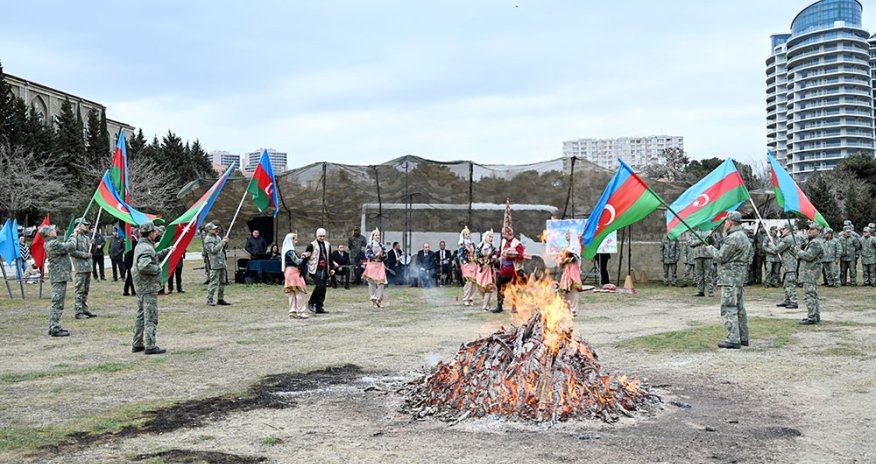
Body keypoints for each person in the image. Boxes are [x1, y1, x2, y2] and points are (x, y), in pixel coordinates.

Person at [703, 211, 751, 349]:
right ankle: (743, 337)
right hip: (739, 277)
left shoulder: (733, 238)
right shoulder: (743, 236)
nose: (724, 224)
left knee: (728, 307)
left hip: (729, 278)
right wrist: (716, 242)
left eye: (725, 221)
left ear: (730, 222)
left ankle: (733, 338)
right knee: (739, 308)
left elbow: (721, 257)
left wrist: (709, 248)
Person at [131, 221, 174, 354]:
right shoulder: (146, 248)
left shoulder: (143, 245)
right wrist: (157, 269)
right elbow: (144, 266)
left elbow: (152, 257)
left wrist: (166, 251)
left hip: (141, 286)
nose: (156, 233)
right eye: (154, 231)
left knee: (141, 315)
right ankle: (150, 345)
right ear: (150, 234)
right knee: (150, 316)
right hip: (147, 286)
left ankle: (137, 343)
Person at [41, 225, 77, 337]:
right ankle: (55, 328)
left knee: (57, 302)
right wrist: (73, 236)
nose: (54, 230)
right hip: (58, 276)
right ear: (48, 233)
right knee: (57, 302)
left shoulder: (52, 243)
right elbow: (71, 246)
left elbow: (64, 246)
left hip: (58, 276)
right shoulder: (52, 244)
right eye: (52, 230)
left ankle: (53, 326)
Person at [492, 225, 526, 314]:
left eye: (504, 234)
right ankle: (499, 306)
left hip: (513, 271)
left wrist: (512, 255)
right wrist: (496, 256)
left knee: (514, 289)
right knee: (499, 288)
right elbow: (500, 251)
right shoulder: (503, 241)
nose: (503, 235)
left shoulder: (517, 244)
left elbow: (521, 257)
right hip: (503, 270)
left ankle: (514, 307)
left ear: (509, 234)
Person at [796, 222, 825, 325]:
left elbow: (809, 256)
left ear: (818, 231)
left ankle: (812, 316)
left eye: (812, 229)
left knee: (809, 295)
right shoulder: (814, 241)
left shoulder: (815, 242)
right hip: (811, 271)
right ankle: (815, 315)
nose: (809, 230)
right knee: (813, 295)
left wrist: (798, 251)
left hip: (810, 272)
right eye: (808, 229)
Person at [766, 224, 798, 309]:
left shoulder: (788, 238)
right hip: (788, 263)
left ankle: (793, 301)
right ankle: (787, 300)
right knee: (786, 283)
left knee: (790, 283)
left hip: (790, 264)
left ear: (787, 230)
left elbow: (777, 249)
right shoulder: (793, 237)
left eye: (783, 229)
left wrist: (771, 244)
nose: (781, 231)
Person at [70, 219, 97, 319]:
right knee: (79, 290)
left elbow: (92, 252)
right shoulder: (74, 237)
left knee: (85, 290)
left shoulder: (86, 237)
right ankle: (78, 311)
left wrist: (93, 245)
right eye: (84, 225)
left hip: (87, 267)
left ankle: (84, 309)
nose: (87, 226)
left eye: (87, 225)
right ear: (78, 226)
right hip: (80, 267)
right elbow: (72, 251)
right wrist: (85, 255)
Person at [305, 227, 334, 313]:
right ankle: (311, 302)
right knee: (319, 286)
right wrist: (301, 268)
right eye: (320, 236)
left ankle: (319, 306)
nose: (322, 238)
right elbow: (306, 256)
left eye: (323, 236)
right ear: (316, 236)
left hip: (324, 268)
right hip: (314, 268)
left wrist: (332, 268)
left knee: (324, 288)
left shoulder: (328, 244)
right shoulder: (311, 245)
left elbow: (330, 257)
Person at [281, 232, 309, 319]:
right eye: (295, 239)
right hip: (293, 272)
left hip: (288, 272)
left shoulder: (286, 250)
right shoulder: (290, 251)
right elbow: (298, 262)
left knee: (292, 292)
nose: (296, 241)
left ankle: (292, 311)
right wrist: (304, 256)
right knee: (300, 291)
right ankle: (300, 311)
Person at [203, 222, 230, 306]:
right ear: (209, 230)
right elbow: (213, 250)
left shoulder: (218, 237)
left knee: (223, 282)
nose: (216, 230)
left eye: (216, 228)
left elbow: (223, 248)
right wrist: (222, 242)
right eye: (214, 229)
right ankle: (210, 299)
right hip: (215, 263)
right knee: (214, 282)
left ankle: (220, 299)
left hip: (222, 262)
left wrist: (226, 242)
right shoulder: (208, 240)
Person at [363, 229, 388, 307]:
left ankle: (379, 300)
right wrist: (375, 255)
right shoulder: (369, 245)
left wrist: (382, 255)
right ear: (373, 236)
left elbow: (386, 256)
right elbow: (367, 255)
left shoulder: (382, 245)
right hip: (372, 265)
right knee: (372, 282)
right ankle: (373, 299)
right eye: (376, 235)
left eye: (378, 235)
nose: (377, 236)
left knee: (381, 283)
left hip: (380, 265)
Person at [558, 245, 583, 316]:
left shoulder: (575, 258)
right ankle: (567, 310)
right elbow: (561, 263)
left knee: (574, 294)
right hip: (566, 277)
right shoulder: (564, 259)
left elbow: (573, 259)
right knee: (565, 295)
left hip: (573, 277)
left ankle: (573, 310)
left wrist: (567, 259)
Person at [475, 230, 497, 311]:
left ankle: (485, 306)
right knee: (481, 287)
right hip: (481, 269)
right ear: (486, 237)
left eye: (492, 237)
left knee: (489, 287)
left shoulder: (493, 248)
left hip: (489, 269)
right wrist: (481, 263)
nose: (491, 238)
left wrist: (491, 260)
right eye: (489, 236)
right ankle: (487, 303)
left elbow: (495, 258)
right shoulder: (479, 246)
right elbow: (476, 256)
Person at [689, 232, 714, 297]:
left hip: (707, 255)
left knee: (708, 274)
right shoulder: (693, 233)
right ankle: (700, 291)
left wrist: (711, 237)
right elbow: (691, 243)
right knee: (699, 275)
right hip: (697, 256)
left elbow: (713, 243)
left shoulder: (709, 231)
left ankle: (710, 291)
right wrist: (700, 241)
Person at [457, 227, 478, 307]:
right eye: (466, 234)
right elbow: (460, 255)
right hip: (466, 264)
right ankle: (466, 298)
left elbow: (476, 252)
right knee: (468, 281)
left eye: (469, 234)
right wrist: (464, 262)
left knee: (473, 282)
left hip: (473, 264)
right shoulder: (462, 244)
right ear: (463, 235)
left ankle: (471, 298)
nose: (468, 236)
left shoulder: (472, 244)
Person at [123, 230, 139, 296]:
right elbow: (132, 252)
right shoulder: (133, 240)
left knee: (129, 276)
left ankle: (126, 291)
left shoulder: (131, 240)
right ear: (136, 233)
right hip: (130, 261)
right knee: (131, 276)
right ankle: (133, 291)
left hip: (128, 261)